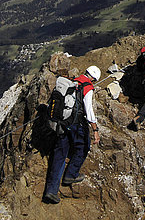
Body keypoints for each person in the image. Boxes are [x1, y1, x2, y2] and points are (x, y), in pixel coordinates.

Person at [43, 65, 101, 204]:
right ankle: (71, 175)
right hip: (77, 124)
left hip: (63, 123)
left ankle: (50, 191)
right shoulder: (88, 87)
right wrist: (95, 129)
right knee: (83, 147)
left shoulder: (73, 81)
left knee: (59, 155)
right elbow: (89, 111)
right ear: (94, 78)